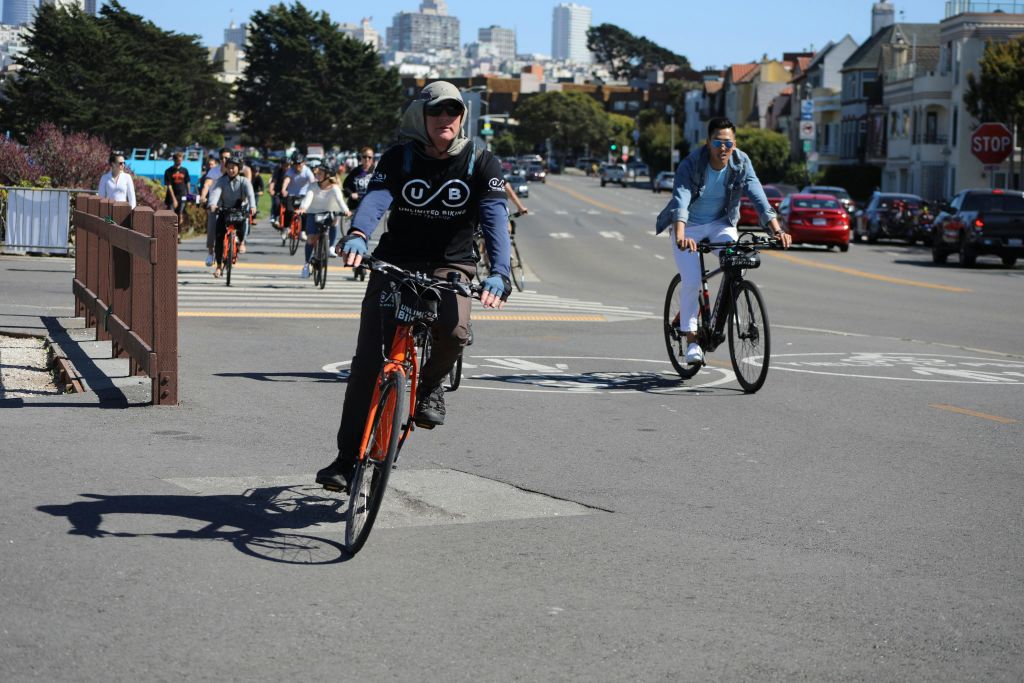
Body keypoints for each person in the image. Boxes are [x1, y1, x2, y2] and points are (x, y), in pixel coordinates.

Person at [315, 80, 512, 493]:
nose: (446, 119)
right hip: (396, 261)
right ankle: (346, 460)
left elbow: (494, 217)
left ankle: (429, 389)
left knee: (455, 330)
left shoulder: (482, 161)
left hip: (452, 264)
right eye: (437, 111)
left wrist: (500, 271)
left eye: (454, 112)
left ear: (462, 118)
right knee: (368, 363)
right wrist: (356, 234)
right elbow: (377, 199)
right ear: (420, 117)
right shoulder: (398, 158)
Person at [658, 117, 792, 365]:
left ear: (734, 143)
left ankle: (718, 323)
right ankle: (692, 341)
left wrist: (776, 230)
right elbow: (681, 200)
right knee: (692, 280)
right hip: (690, 227)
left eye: (728, 142)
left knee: (737, 261)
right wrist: (679, 235)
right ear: (708, 142)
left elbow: (759, 196)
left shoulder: (741, 163)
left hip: (721, 223)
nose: (723, 148)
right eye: (718, 142)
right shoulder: (692, 164)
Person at [295, 162, 351, 278]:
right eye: (317, 172)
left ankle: (331, 246)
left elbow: (340, 201)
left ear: (327, 175)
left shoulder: (335, 188)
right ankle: (306, 264)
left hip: (329, 212)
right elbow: (308, 198)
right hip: (313, 212)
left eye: (320, 172)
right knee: (311, 238)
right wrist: (303, 208)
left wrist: (346, 211)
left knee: (334, 220)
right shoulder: (313, 186)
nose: (317, 174)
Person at [207, 156, 256, 278]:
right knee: (218, 237)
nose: (230, 170)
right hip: (224, 211)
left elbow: (250, 194)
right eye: (228, 168)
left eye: (233, 168)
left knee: (244, 222)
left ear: (239, 169)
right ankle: (218, 266)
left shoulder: (244, 181)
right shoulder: (221, 181)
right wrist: (212, 204)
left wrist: (253, 206)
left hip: (240, 210)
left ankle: (242, 242)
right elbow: (215, 193)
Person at [201, 149, 232, 266]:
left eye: (227, 158)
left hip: (229, 203)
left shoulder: (233, 171)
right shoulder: (213, 172)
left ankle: (238, 241)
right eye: (222, 158)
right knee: (212, 226)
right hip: (215, 203)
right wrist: (204, 196)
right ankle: (210, 253)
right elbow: (207, 184)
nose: (224, 161)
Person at [280, 152, 316, 241]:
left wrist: (315, 190)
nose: (297, 166)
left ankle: (302, 231)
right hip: (291, 194)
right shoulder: (290, 171)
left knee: (304, 212)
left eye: (299, 163)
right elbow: (287, 180)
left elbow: (312, 181)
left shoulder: (307, 171)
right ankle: (286, 228)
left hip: (303, 194)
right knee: (288, 210)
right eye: (295, 164)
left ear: (303, 163)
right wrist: (284, 189)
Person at [163, 151, 191, 233]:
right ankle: (171, 232)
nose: (180, 162)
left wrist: (189, 196)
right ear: (174, 160)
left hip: (182, 194)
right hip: (172, 196)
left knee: (180, 214)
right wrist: (174, 199)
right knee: (172, 215)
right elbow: (169, 186)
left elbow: (188, 183)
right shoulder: (168, 171)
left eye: (181, 160)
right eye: (178, 160)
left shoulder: (185, 170)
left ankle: (178, 233)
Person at [269, 158, 291, 229]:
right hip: (278, 190)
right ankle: (275, 216)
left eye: (288, 165)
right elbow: (274, 181)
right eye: (285, 165)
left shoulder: (292, 171)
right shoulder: (278, 171)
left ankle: (289, 222)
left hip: (289, 191)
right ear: (281, 165)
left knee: (290, 206)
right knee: (276, 202)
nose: (286, 167)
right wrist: (271, 189)